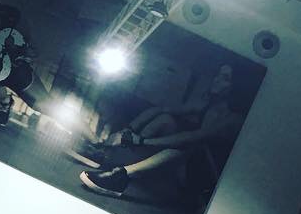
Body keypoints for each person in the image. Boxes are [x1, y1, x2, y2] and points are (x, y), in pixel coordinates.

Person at [76, 63, 245, 199]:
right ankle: (110, 155)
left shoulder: (233, 119)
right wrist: (128, 131)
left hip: (204, 182)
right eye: (218, 75)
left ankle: (123, 176)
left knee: (191, 145)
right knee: (166, 119)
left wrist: (141, 141)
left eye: (225, 79)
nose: (216, 80)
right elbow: (162, 109)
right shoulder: (206, 105)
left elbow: (192, 137)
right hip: (181, 166)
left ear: (236, 86)